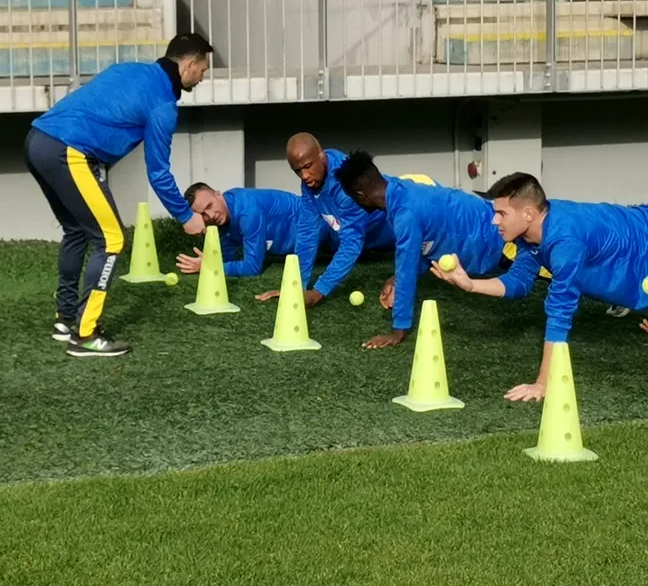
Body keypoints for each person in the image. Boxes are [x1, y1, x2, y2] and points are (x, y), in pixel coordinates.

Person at [24, 33, 213, 358]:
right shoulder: (163, 104)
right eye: (203, 70)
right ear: (190, 64)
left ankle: (66, 319)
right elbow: (158, 172)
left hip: (36, 141)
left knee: (77, 231)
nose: (203, 77)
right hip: (67, 152)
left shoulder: (128, 69)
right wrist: (185, 215)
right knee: (111, 240)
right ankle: (85, 334)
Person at [429, 172, 648, 402]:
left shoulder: (565, 243)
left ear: (528, 214)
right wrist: (470, 284)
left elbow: (560, 313)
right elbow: (519, 281)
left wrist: (543, 384)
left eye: (502, 213)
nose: (494, 221)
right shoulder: (533, 231)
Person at [334, 148, 539, 349]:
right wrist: (396, 278)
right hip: (491, 227)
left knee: (549, 269)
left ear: (361, 196)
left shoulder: (405, 214)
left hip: (500, 241)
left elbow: (406, 268)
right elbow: (426, 245)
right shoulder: (400, 190)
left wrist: (398, 331)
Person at [255, 133, 396, 307]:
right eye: (297, 170)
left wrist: (318, 292)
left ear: (321, 156)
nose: (304, 175)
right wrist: (295, 286)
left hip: (393, 235)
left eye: (307, 166)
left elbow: (351, 244)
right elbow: (307, 232)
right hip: (371, 242)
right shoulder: (311, 183)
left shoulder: (348, 184)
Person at [175, 183, 336, 277]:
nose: (210, 215)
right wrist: (210, 262)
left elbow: (252, 267)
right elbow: (226, 258)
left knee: (349, 249)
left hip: (327, 226)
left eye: (209, 206)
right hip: (317, 241)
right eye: (203, 214)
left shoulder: (247, 211)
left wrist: (211, 266)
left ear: (218, 195)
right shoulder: (222, 217)